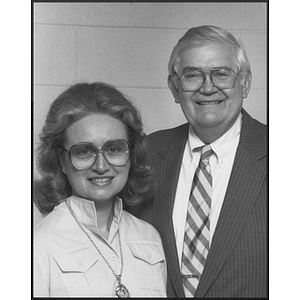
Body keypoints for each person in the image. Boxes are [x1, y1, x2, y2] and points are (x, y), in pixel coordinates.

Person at [126, 25, 267, 298]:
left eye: (222, 74)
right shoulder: (146, 153)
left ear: (245, 83)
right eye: (192, 75)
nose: (208, 87)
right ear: (175, 88)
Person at [33, 82, 167, 297]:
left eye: (114, 149)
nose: (101, 166)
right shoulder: (38, 246)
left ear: (131, 154)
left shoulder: (148, 236)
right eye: (84, 151)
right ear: (62, 160)